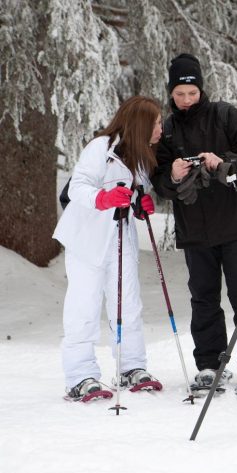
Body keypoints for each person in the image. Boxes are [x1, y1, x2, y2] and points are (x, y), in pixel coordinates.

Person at [151, 53, 237, 395]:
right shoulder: (168, 129)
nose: (187, 100)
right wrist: (172, 175)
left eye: (192, 93)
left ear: (201, 89)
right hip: (195, 229)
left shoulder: (225, 114)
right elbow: (159, 181)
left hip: (236, 223)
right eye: (179, 94)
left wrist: (224, 162)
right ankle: (209, 365)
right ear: (171, 93)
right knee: (203, 298)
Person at [54, 96, 163, 401]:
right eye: (156, 123)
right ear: (141, 124)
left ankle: (132, 367)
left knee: (128, 302)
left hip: (120, 237)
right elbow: (77, 188)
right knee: (84, 306)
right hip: (87, 240)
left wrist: (140, 203)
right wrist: (102, 198)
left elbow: (137, 191)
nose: (160, 130)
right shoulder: (101, 148)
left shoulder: (141, 155)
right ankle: (80, 375)